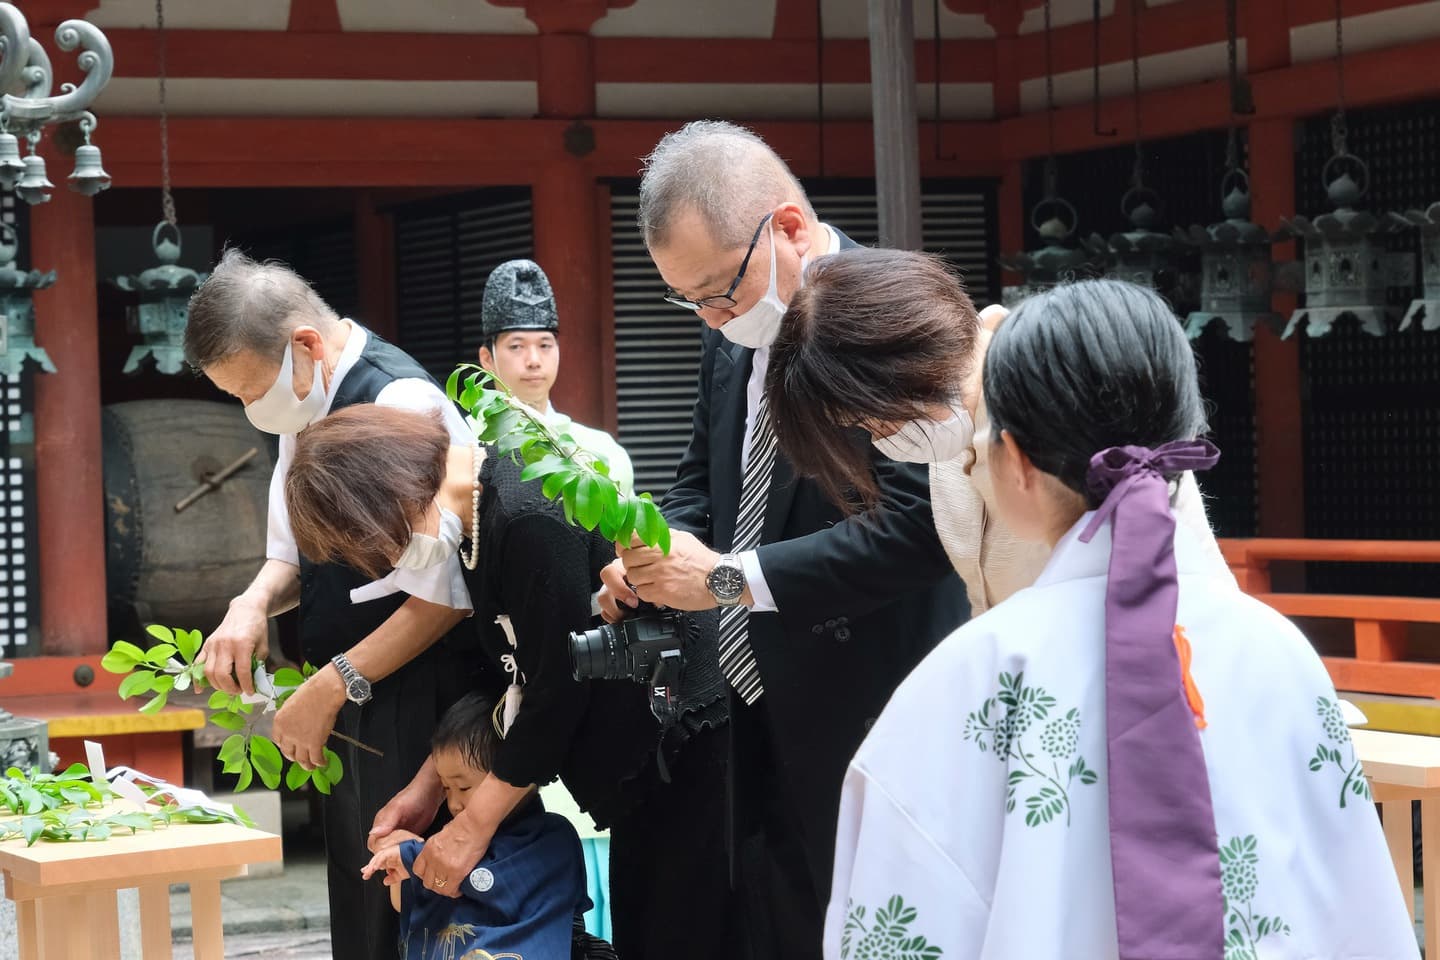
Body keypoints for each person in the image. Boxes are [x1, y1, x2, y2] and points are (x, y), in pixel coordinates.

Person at [824, 280, 1417, 959]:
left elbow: (897, 917)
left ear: (1012, 459)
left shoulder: (965, 680)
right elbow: (1359, 910)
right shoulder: (1280, 654)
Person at [597, 120, 970, 959]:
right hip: (755, 695)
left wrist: (725, 580)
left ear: (790, 227)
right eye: (688, 299)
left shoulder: (886, 311)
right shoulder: (733, 328)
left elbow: (921, 528)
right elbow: (703, 477)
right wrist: (654, 553)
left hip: (873, 696)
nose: (713, 316)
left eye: (720, 292)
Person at [285, 403, 731, 960]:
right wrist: (426, 791)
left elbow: (557, 692)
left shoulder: (525, 514)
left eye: (380, 547)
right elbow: (508, 681)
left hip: (684, 740)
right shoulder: (476, 525)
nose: (390, 562)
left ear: (390, 495)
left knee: (685, 933)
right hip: (642, 767)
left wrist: (472, 827)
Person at [184, 250, 476, 960]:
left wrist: (333, 682)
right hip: (353, 692)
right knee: (359, 902)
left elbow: (446, 593)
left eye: (253, 390)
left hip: (420, 696)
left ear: (306, 347)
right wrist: (249, 605)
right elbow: (294, 554)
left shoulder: (403, 403)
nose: (253, 411)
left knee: (415, 905)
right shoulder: (305, 400)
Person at [767, 261, 1227, 615]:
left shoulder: (1059, 394)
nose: (877, 439)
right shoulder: (952, 422)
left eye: (871, 423)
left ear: (901, 373)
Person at [362, 691, 617, 960]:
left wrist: (412, 855)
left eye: (464, 786)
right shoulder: (445, 842)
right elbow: (405, 905)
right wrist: (399, 865)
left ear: (512, 777)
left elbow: (492, 879)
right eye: (446, 788)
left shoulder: (551, 838)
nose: (454, 803)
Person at [478, 258, 634, 494]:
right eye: (516, 347)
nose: (534, 361)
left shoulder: (603, 451)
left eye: (545, 345)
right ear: (487, 359)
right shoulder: (463, 443)